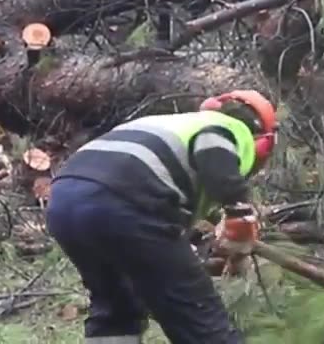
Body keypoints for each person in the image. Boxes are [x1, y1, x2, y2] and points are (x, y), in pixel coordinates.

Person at [45, 90, 279, 344]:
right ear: (262, 139)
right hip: (126, 203)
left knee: (116, 305)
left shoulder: (166, 124)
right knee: (199, 317)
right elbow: (214, 155)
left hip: (64, 202)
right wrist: (240, 213)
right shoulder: (224, 129)